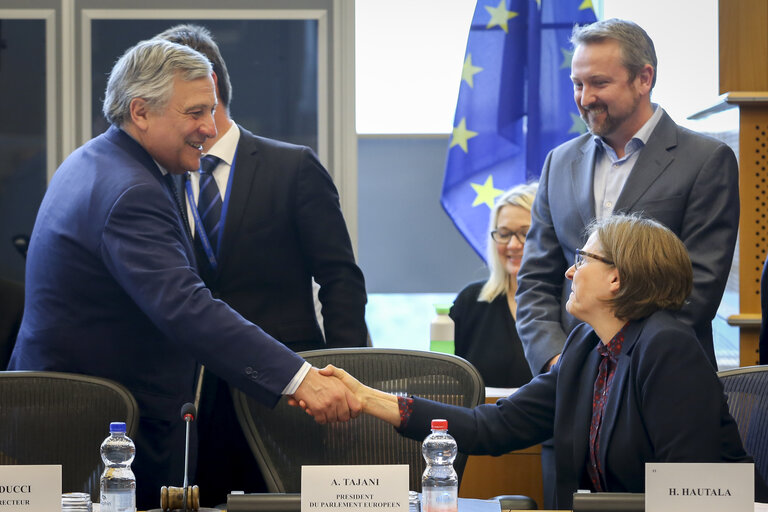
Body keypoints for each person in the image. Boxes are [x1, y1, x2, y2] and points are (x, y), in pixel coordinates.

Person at [7, 39, 360, 510]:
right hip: (90, 429)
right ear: (141, 112)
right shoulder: (130, 190)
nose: (209, 128)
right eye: (195, 113)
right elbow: (186, 307)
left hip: (79, 416)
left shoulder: (95, 160)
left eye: (212, 111)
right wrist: (300, 379)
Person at [316, 214, 768, 509]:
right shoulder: (586, 347)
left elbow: (688, 494)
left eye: (583, 258)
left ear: (618, 277)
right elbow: (491, 426)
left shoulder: (667, 347)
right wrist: (367, 397)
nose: (570, 271)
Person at [515, 20, 739, 507]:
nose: (584, 97)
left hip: (656, 400)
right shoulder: (559, 161)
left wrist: (617, 367)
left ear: (644, 78)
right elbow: (534, 281)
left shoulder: (706, 160)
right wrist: (565, 363)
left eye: (599, 83)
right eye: (577, 83)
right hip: (570, 394)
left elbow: (695, 288)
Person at [152, 24, 368, 504]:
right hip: (191, 396)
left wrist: (343, 379)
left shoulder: (292, 167)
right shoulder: (159, 177)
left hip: (287, 390)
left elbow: (340, 280)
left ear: (207, 88)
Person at [450, 183, 536, 388]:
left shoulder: (569, 305)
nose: (513, 245)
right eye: (504, 234)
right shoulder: (470, 301)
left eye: (525, 233)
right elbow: (446, 381)